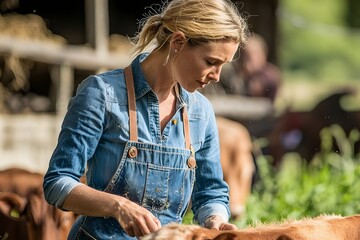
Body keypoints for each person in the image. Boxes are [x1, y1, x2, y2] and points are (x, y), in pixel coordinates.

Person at [42, 0, 249, 238]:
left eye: (223, 65)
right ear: (178, 42)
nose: (216, 76)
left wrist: (216, 219)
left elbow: (211, 193)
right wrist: (118, 207)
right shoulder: (101, 94)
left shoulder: (201, 112)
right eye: (211, 62)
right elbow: (57, 182)